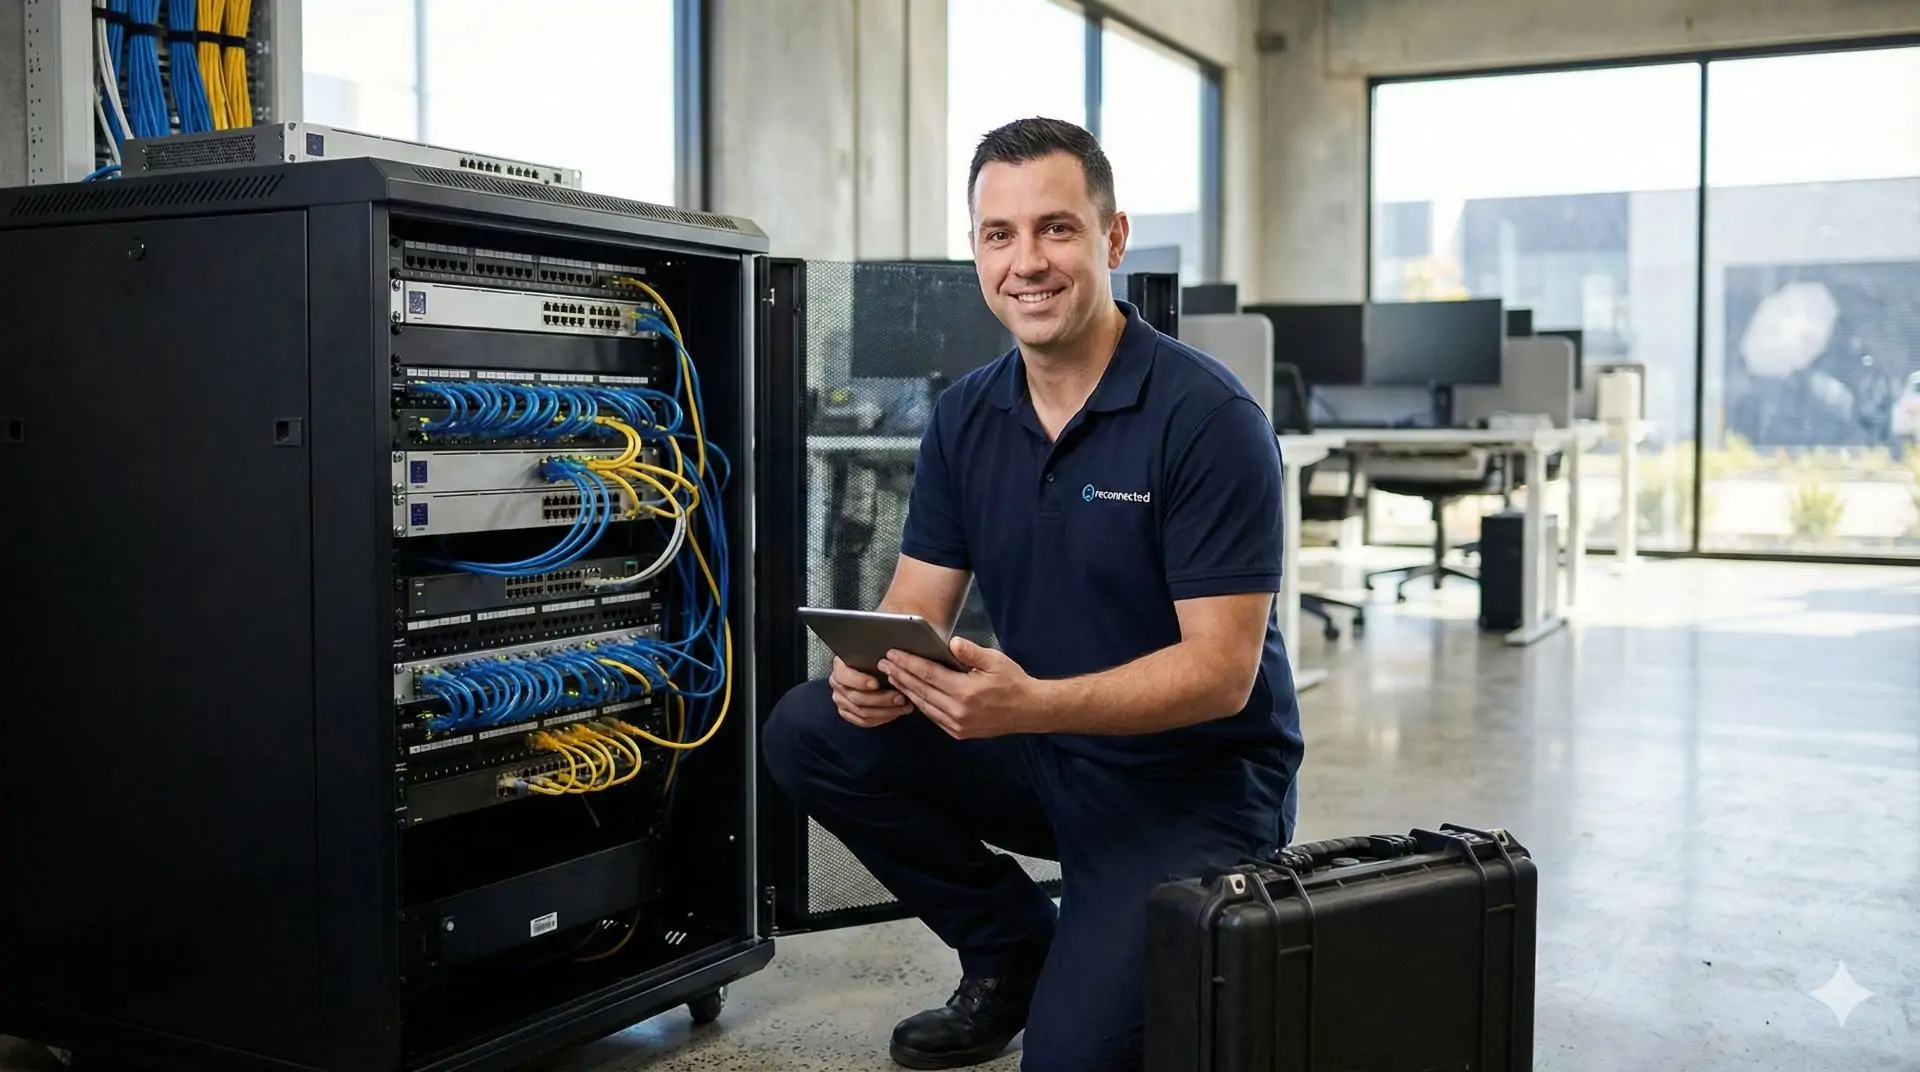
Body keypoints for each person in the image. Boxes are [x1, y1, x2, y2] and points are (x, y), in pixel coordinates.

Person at [761, 117, 1303, 1072]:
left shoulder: (1209, 420)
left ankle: (1097, 959)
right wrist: (876, 673)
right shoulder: (968, 414)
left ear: (1113, 239)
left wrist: (1031, 704)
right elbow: (914, 608)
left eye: (1057, 229)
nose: (1027, 263)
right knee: (811, 730)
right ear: (976, 248)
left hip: (1190, 787)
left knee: (1074, 1061)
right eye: (998, 234)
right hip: (1043, 749)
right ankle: (1013, 948)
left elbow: (1222, 675)